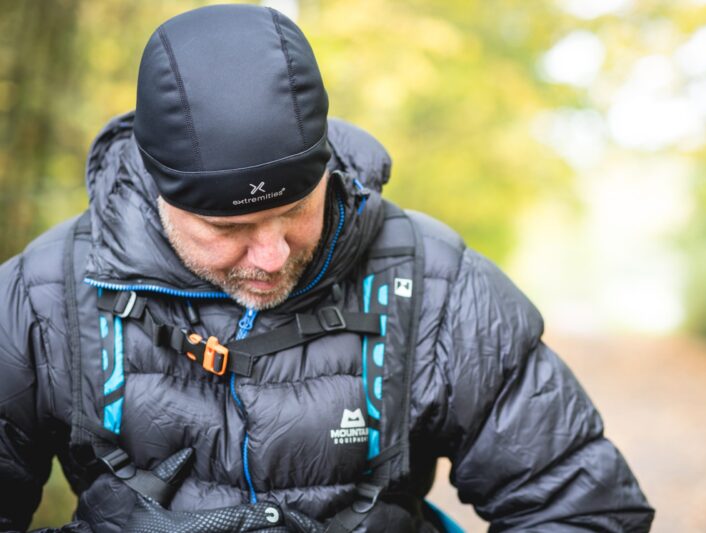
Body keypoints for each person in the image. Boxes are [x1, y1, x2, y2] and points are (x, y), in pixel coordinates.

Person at [0, 4, 654, 532]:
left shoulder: (438, 289)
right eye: (229, 229)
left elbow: (583, 507)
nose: (272, 253)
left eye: (295, 210)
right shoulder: (42, 298)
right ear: (160, 192)